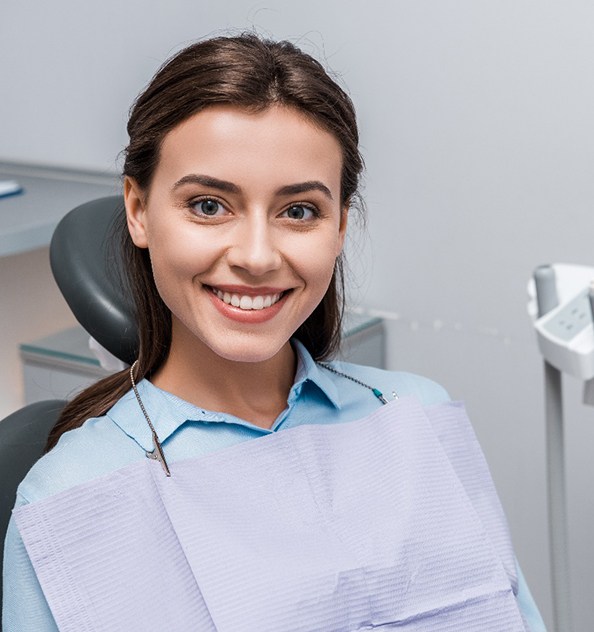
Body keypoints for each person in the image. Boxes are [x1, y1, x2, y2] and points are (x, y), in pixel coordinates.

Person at [3, 34, 545, 631]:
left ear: (340, 226)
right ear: (137, 210)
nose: (257, 256)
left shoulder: (413, 414)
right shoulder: (70, 494)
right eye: (209, 205)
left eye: (299, 211)